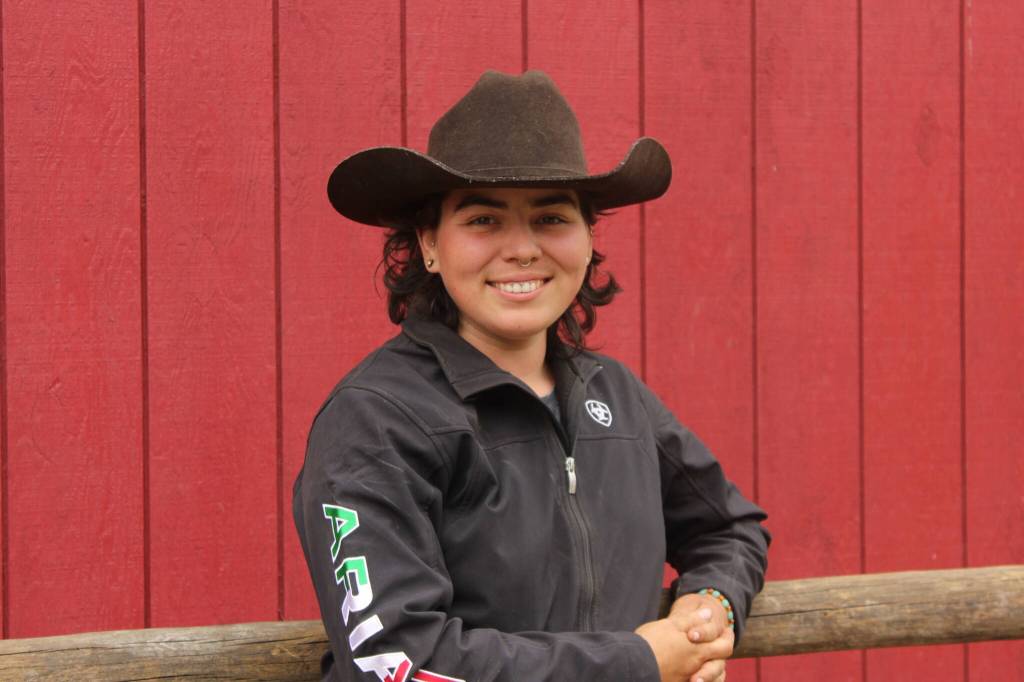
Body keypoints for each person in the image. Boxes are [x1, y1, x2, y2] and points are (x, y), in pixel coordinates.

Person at [293, 70, 770, 682]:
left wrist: (711, 606)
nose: (522, 249)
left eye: (550, 219)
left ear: (588, 238)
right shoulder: (376, 420)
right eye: (483, 221)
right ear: (429, 244)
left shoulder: (614, 396)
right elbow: (398, 662)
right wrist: (638, 663)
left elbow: (729, 528)